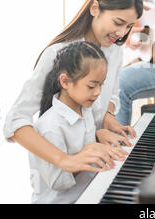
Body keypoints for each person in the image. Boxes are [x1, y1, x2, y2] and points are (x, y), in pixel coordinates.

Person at [4, 0, 142, 175]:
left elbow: (110, 96)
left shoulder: (114, 50)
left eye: (129, 26)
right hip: (60, 178)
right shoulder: (57, 54)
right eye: (118, 22)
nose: (122, 33)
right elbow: (15, 121)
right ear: (94, 8)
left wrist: (107, 119)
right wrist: (66, 161)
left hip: (94, 169)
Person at [29, 41, 119, 203]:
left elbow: (84, 143)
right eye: (91, 86)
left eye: (101, 85)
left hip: (88, 194)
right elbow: (58, 181)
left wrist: (98, 137)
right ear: (65, 82)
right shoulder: (50, 126)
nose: (98, 92)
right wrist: (87, 154)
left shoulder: (86, 109)